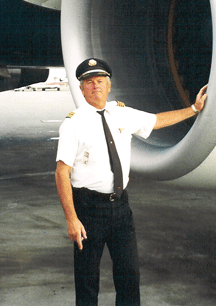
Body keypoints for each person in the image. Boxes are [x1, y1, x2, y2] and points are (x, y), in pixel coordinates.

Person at [55, 58, 207, 306]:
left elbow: (156, 120)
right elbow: (62, 173)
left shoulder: (121, 113)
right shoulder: (73, 124)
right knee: (87, 282)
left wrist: (193, 109)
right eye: (89, 82)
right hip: (89, 211)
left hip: (121, 210)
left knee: (129, 277)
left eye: (100, 81)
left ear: (109, 85)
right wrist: (72, 218)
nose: (96, 86)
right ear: (81, 89)